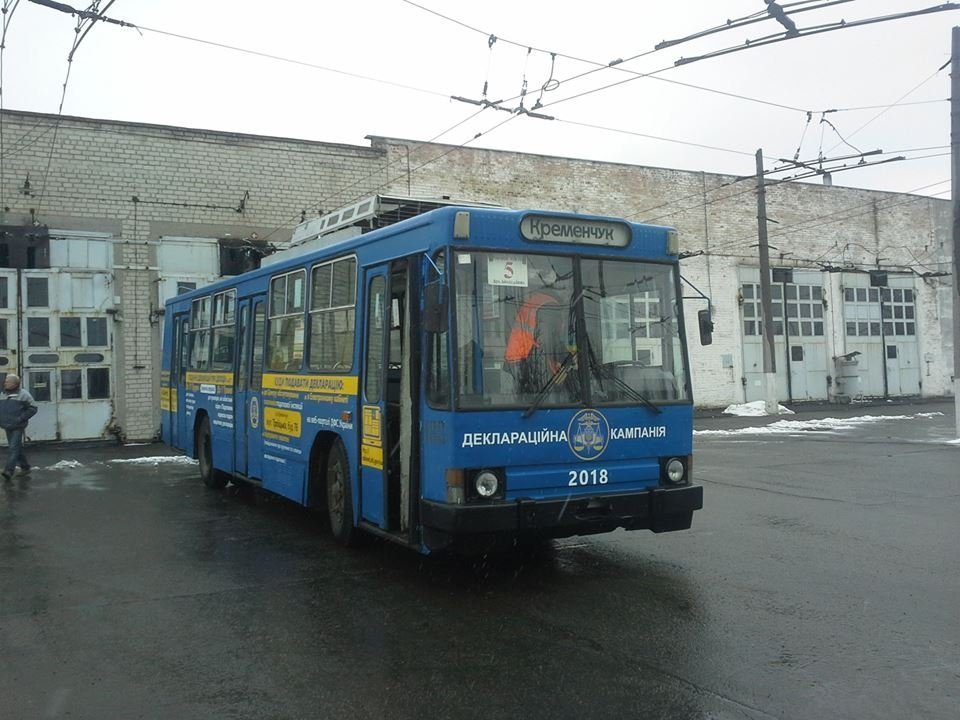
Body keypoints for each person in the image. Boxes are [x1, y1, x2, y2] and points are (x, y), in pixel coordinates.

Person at [503, 267, 577, 396]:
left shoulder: (536, 300)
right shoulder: (549, 306)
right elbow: (548, 342)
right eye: (567, 287)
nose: (569, 292)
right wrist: (569, 358)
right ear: (558, 286)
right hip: (535, 365)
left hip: (521, 363)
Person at [0, 374, 38, 481]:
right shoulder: (3, 394)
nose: (5, 383)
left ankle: (9, 471)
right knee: (16, 447)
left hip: (18, 426)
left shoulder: (24, 395)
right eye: (5, 381)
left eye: (8, 381)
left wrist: (20, 418)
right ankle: (25, 467)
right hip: (6, 425)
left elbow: (33, 408)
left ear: (15, 384)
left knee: (13, 448)